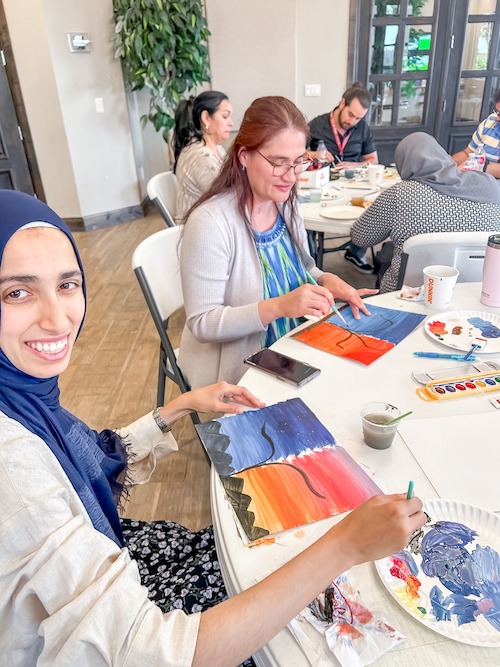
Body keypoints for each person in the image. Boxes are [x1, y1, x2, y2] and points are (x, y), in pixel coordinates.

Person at [0, 189, 427, 667]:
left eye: (67, 284)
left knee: (258, 557)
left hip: (115, 559)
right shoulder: (12, 465)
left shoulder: (24, 398)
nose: (58, 319)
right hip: (114, 636)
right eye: (17, 292)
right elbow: (147, 652)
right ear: (245, 155)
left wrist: (180, 404)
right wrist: (345, 545)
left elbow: (94, 457)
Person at [178, 96, 378, 390]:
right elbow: (203, 323)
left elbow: (303, 267)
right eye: (278, 163)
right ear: (244, 156)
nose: (291, 176)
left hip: (296, 342)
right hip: (241, 366)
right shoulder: (211, 221)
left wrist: (325, 280)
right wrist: (280, 306)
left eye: (299, 162)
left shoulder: (285, 201)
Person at [350, 132, 500, 293]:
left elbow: (360, 238)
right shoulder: (490, 185)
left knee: (386, 255)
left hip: (406, 294)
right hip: (475, 290)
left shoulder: (400, 194)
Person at [309, 82, 378, 274]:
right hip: (324, 185)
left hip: (355, 187)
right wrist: (315, 155)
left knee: (376, 211)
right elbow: (299, 154)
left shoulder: (363, 129)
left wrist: (353, 165)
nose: (353, 121)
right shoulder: (317, 125)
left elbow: (373, 160)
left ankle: (355, 252)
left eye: (358, 118)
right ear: (342, 104)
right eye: (351, 115)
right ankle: (311, 261)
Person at [173, 91, 233, 222]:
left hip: (208, 220)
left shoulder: (217, 148)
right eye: (225, 116)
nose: (231, 123)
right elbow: (226, 198)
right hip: (194, 230)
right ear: (206, 117)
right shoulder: (199, 155)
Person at [451, 89, 500, 179]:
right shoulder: (490, 122)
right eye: (498, 112)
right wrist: (447, 163)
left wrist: (479, 166)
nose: (497, 118)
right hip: (473, 183)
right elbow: (468, 154)